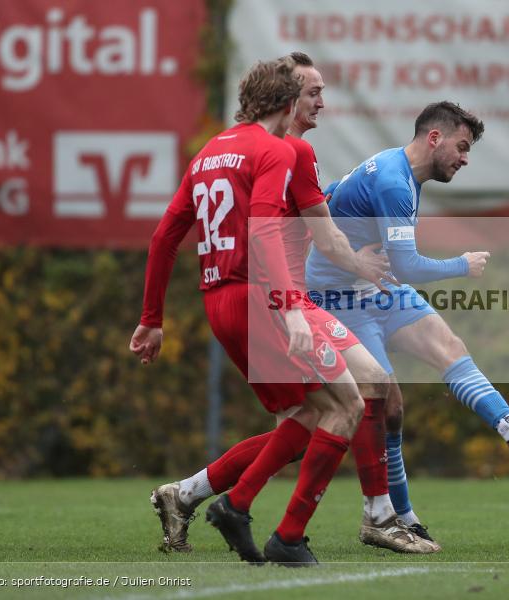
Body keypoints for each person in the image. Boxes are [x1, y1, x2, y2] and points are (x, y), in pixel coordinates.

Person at [144, 53, 438, 559]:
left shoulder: (221, 150)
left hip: (241, 296)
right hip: (273, 298)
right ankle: (355, 517)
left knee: (336, 403)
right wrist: (297, 303)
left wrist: (151, 319)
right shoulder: (281, 151)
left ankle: (194, 495)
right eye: (312, 90)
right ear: (288, 97)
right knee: (337, 406)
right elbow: (283, 238)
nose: (321, 100)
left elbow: (168, 235)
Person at [305, 101, 509, 539]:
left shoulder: (396, 170)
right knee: (384, 408)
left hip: (379, 287)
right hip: (340, 301)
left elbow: (331, 196)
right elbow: (410, 267)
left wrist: (346, 248)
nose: (465, 159)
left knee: (450, 349)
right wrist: (462, 265)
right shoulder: (396, 182)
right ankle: (395, 516)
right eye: (463, 147)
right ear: (435, 137)